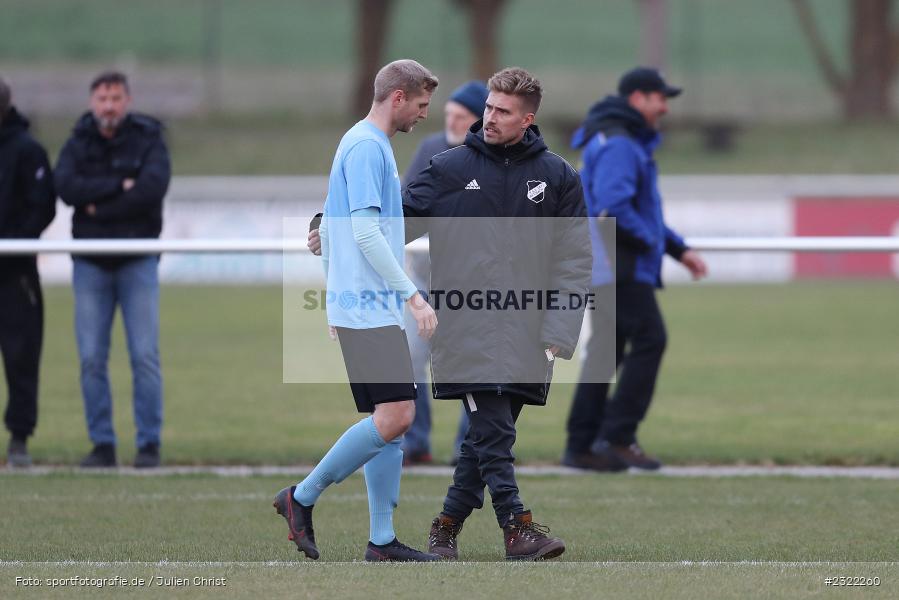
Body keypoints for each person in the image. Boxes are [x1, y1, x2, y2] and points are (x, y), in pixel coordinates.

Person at [403, 68, 591, 560]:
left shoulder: (559, 177)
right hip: (465, 327)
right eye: (488, 107)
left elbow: (574, 261)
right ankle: (518, 527)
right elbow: (391, 220)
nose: (489, 117)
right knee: (495, 432)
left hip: (530, 332)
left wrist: (560, 329)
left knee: (485, 438)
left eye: (502, 111)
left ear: (527, 119)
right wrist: (332, 226)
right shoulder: (447, 168)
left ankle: (444, 529)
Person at [274, 59, 441, 562]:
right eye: (421, 104)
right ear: (397, 98)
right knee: (398, 415)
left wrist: (334, 296)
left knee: (390, 419)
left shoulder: (363, 142)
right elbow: (365, 232)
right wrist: (413, 295)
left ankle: (383, 541)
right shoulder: (369, 146)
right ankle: (300, 497)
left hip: (363, 305)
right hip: (369, 307)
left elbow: (329, 229)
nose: (423, 114)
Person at [562, 67, 707, 472]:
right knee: (651, 338)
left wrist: (677, 249)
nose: (664, 108)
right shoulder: (622, 145)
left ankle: (581, 446)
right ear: (638, 99)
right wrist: (650, 242)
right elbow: (614, 207)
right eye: (660, 98)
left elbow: (633, 209)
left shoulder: (614, 137)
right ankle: (619, 435)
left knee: (604, 354)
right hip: (616, 264)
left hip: (605, 262)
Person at [55, 71, 171, 468]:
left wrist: (97, 206)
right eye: (102, 98)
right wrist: (118, 187)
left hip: (137, 260)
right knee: (90, 357)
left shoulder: (148, 136)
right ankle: (102, 444)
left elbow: (151, 189)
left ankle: (149, 445)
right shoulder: (77, 140)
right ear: (92, 101)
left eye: (115, 98)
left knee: (144, 356)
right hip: (90, 263)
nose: (108, 105)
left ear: (127, 100)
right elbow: (66, 187)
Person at [400, 80, 488, 465]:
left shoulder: (492, 158)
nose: (449, 121)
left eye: (460, 115)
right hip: (423, 278)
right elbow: (407, 206)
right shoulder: (430, 149)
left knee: (474, 368)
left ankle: (468, 450)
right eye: (447, 113)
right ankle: (415, 443)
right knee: (410, 359)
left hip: (470, 284)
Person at [0, 77, 56, 467]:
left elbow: (42, 207)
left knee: (21, 357)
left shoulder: (27, 150)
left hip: (15, 273)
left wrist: (13, 242)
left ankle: (19, 438)